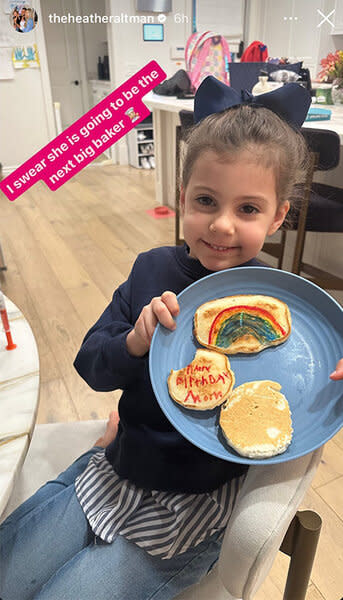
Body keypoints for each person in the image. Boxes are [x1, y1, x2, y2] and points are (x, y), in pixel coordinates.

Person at [1, 77, 342, 600]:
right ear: (182, 197)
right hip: (117, 471)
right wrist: (133, 343)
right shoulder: (150, 271)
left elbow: (311, 401)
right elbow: (90, 363)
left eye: (248, 209)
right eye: (206, 201)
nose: (223, 226)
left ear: (278, 216)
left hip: (195, 510)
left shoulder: (295, 309)